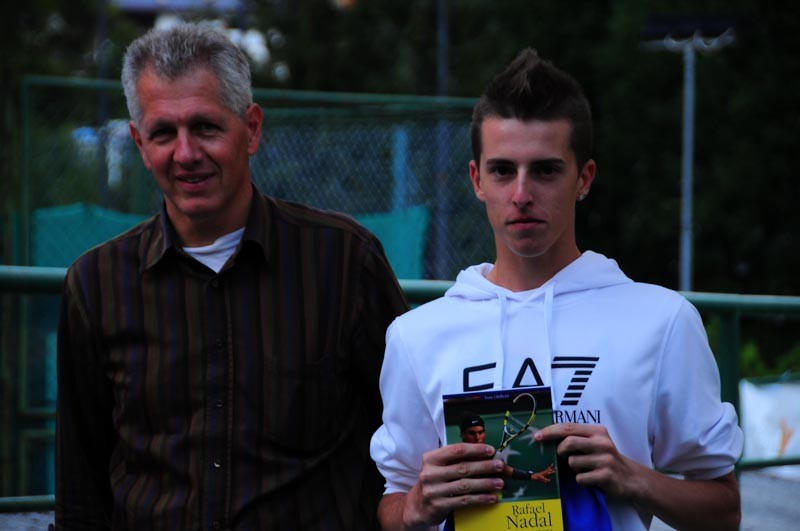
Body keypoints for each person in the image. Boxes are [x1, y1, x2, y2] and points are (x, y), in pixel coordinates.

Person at [370, 48, 743, 530]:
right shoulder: (416, 335)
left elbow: (724, 510)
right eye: (503, 170)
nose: (521, 194)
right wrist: (416, 506)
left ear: (584, 178)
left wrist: (632, 478)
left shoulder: (662, 321)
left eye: (545, 170)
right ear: (477, 179)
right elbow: (393, 499)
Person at [55, 23, 408, 530]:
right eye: (163, 133)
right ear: (139, 143)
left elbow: (407, 438)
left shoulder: (345, 262)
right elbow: (80, 491)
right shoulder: (96, 286)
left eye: (205, 127)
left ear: (252, 129)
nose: (185, 154)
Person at [458, 413, 555, 484]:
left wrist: (532, 476)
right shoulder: (456, 457)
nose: (477, 437)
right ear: (462, 434)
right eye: (472, 433)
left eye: (480, 432)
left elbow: (506, 470)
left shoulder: (489, 455)